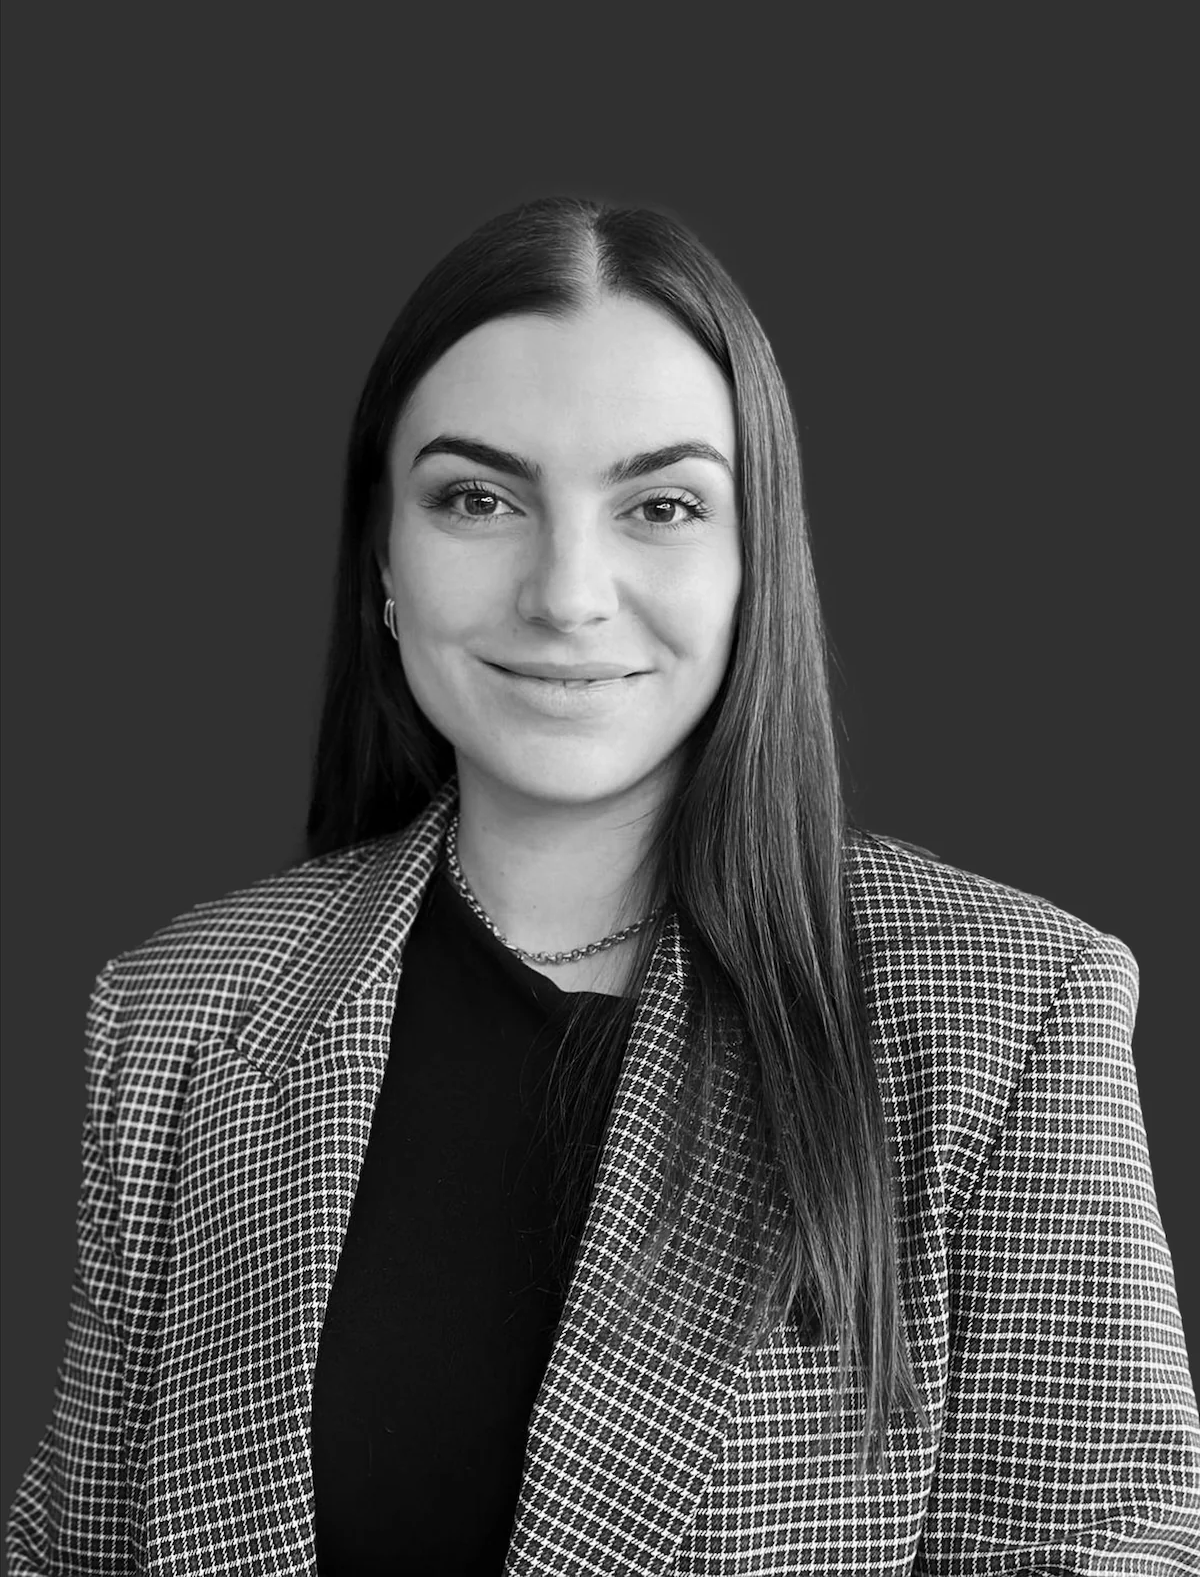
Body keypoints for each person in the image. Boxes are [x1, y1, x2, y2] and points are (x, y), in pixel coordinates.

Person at [7, 195, 1198, 1576]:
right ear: (385, 559)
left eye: (662, 506)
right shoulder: (179, 1011)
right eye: (477, 499)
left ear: (756, 560)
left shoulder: (1005, 1011)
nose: (566, 593)